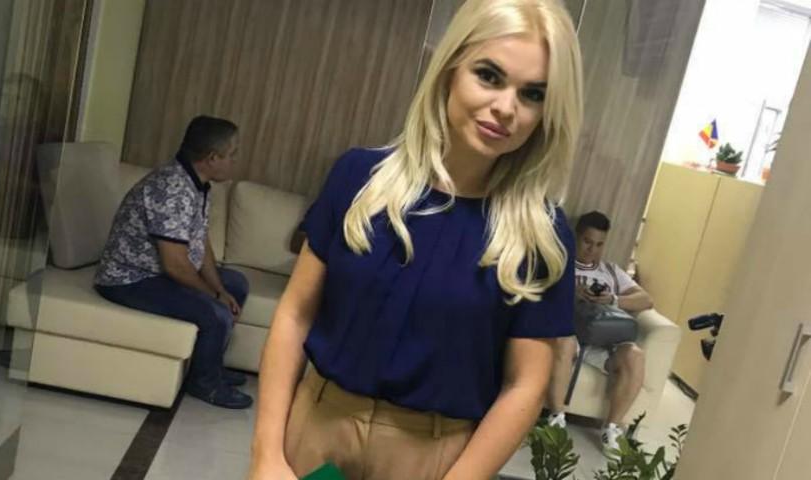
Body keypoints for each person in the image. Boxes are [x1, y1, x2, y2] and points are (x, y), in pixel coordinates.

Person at [248, 0, 584, 478]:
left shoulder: (541, 235)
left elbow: (524, 387)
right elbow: (295, 314)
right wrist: (266, 454)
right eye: (489, 76)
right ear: (449, 71)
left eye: (532, 94)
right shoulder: (358, 178)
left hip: (434, 457)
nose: (506, 108)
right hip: (318, 431)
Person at [94, 116, 252, 409]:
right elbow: (176, 265)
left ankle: (211, 366)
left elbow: (199, 243)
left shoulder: (198, 184)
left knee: (236, 284)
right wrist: (214, 296)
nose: (234, 161)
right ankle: (205, 384)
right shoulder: (172, 188)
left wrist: (220, 288)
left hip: (157, 272)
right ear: (212, 158)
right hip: (130, 279)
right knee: (216, 312)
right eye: (231, 154)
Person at [546, 211, 654, 453]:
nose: (592, 250)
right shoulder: (561, 265)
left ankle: (611, 428)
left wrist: (612, 299)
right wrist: (571, 292)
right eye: (587, 242)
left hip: (604, 342)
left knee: (635, 355)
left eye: (599, 244)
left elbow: (646, 300)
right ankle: (556, 418)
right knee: (564, 342)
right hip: (571, 334)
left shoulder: (611, 271)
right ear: (576, 237)